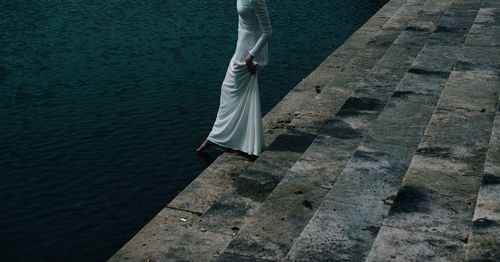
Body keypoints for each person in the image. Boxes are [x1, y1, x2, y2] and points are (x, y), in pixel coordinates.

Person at [196, 0, 272, 156]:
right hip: (240, 50)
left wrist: (250, 57)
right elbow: (242, 25)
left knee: (231, 91)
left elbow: (268, 32)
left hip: (249, 55)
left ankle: (217, 137)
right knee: (231, 92)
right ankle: (235, 139)